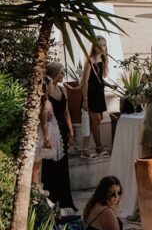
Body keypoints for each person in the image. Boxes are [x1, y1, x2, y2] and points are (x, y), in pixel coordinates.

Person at [42, 62, 76, 209]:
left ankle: (64, 200)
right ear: (55, 75)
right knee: (50, 166)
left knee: (62, 165)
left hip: (62, 131)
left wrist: (71, 132)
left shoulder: (62, 89)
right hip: (49, 132)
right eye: (62, 73)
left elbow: (66, 112)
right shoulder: (46, 91)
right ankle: (51, 199)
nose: (63, 75)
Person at [81, 37, 109, 159]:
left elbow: (101, 77)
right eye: (99, 45)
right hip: (91, 94)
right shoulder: (90, 61)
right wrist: (85, 99)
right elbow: (85, 82)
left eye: (104, 45)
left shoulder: (102, 60)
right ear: (94, 46)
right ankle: (99, 147)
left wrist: (108, 84)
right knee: (96, 120)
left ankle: (85, 148)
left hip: (99, 93)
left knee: (97, 121)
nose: (102, 48)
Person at [33, 87, 62, 191]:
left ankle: (37, 186)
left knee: (39, 164)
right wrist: (46, 138)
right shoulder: (45, 103)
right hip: (42, 135)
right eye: (50, 85)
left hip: (46, 133)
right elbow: (44, 121)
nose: (52, 87)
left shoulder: (46, 101)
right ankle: (35, 188)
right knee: (37, 164)